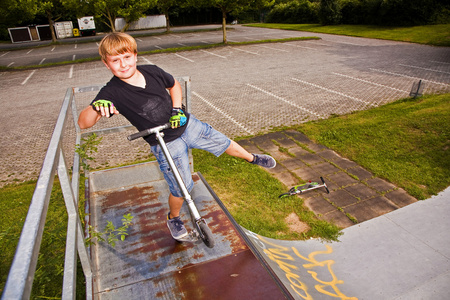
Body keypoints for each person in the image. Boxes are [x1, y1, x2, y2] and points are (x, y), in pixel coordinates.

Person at [78, 32, 276, 241]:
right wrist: (96, 107)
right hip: (165, 142)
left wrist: (177, 110)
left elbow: (174, 85)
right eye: (115, 61)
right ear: (106, 64)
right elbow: (84, 122)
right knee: (181, 187)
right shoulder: (111, 92)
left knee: (223, 142)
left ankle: (252, 158)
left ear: (135, 56)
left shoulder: (152, 72)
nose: (123, 64)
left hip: (187, 124)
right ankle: (173, 218)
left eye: (127, 57)